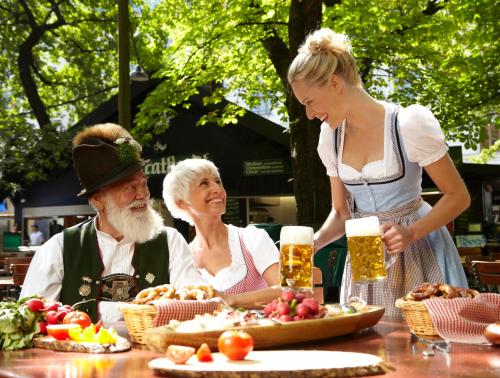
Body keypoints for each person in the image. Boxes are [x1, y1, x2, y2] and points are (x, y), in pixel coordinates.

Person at [287, 28, 470, 318]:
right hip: (364, 259)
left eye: (309, 102)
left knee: (428, 340)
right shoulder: (329, 137)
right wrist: (316, 241)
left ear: (334, 83)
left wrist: (411, 232)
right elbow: (342, 213)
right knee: (369, 339)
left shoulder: (407, 124)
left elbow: (458, 196)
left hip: (420, 252)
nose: (309, 114)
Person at [21, 123, 204, 323]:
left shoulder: (170, 241)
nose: (143, 194)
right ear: (99, 200)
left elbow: (196, 304)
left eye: (144, 184)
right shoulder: (59, 248)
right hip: (79, 354)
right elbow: (32, 318)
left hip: (155, 352)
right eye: (130, 187)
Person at [163, 158, 281, 308]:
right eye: (204, 183)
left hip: (259, 329)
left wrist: (229, 299)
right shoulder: (183, 258)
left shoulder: (251, 238)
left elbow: (288, 291)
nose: (218, 189)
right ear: (182, 202)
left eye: (218, 182)